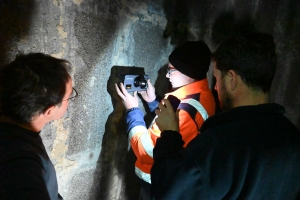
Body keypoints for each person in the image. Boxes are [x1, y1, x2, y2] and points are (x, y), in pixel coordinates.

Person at [151, 32, 300, 200]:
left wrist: (169, 136)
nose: (215, 88)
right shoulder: (294, 139)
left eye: (216, 79)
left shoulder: (217, 145)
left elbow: (168, 190)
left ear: (231, 79)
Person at [115, 41, 216, 199]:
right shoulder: (203, 95)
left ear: (187, 72)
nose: (167, 76)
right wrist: (153, 101)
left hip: (155, 182)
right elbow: (175, 124)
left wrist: (132, 110)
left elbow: (146, 151)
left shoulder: (185, 112)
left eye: (171, 70)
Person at [0, 53, 78, 199]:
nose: (70, 99)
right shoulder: (21, 164)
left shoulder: (13, 133)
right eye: (69, 96)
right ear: (49, 110)